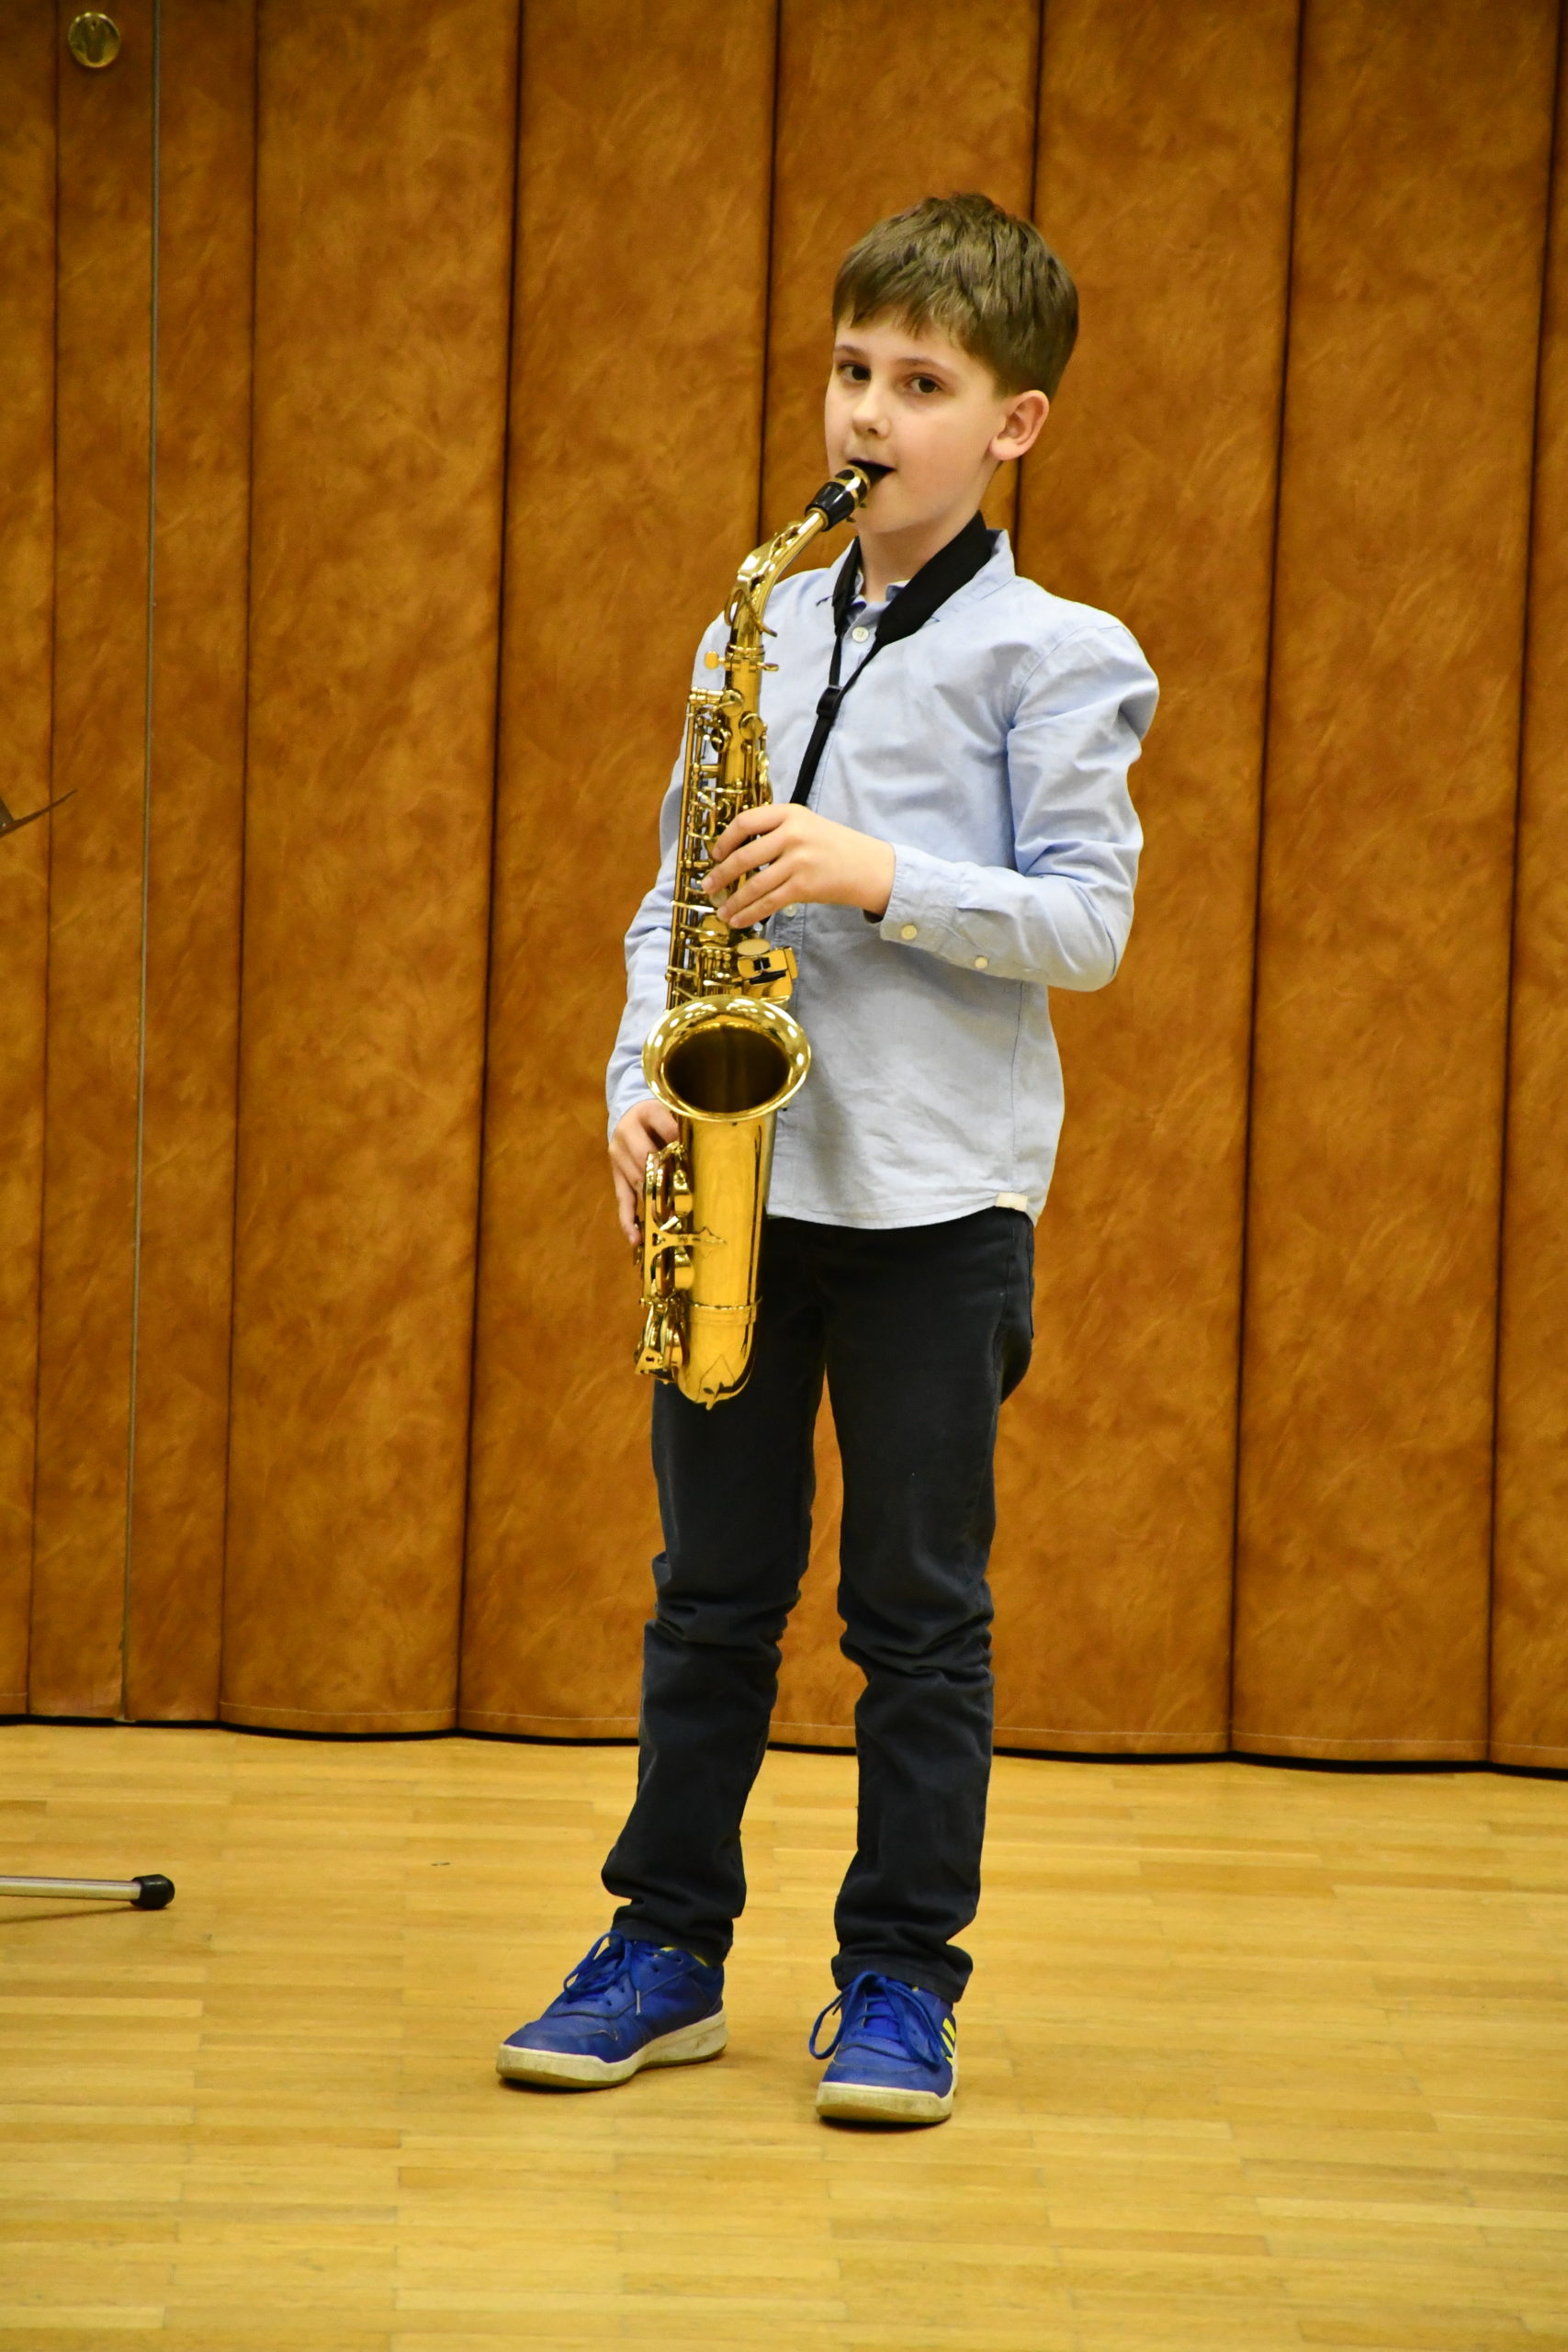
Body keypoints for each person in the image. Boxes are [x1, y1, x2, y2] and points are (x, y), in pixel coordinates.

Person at [498, 192, 1157, 2125]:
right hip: (742, 1185)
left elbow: (1086, 925)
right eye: (852, 370)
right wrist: (632, 1076)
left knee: (915, 1614)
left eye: (921, 385)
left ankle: (898, 1980)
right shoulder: (758, 624)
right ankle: (663, 1947)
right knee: (708, 1591)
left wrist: (877, 873)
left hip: (936, 1201)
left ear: (1013, 424)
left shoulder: (1059, 653)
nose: (868, 412)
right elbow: (671, 894)